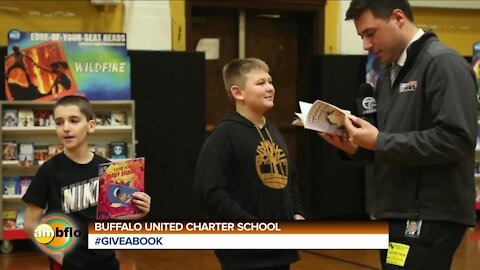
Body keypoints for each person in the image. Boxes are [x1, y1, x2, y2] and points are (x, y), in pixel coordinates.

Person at [319, 0, 477, 269]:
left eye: (370, 33)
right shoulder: (391, 71)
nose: (366, 45)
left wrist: (379, 141)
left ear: (398, 18)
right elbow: (392, 143)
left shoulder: (443, 63)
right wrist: (357, 148)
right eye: (361, 37)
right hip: (396, 211)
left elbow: (457, 140)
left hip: (429, 215)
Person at [194, 58, 305, 270]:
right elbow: (210, 191)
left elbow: (290, 180)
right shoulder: (223, 135)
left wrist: (297, 212)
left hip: (281, 248)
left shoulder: (273, 132)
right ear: (238, 93)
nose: (270, 88)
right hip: (244, 253)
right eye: (261, 83)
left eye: (270, 81)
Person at [22, 95, 151, 270]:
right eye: (59, 122)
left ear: (91, 126)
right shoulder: (49, 170)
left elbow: (113, 216)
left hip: (106, 262)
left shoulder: (108, 169)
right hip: (67, 263)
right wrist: (60, 258)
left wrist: (138, 211)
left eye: (74, 121)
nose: (66, 128)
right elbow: (30, 224)